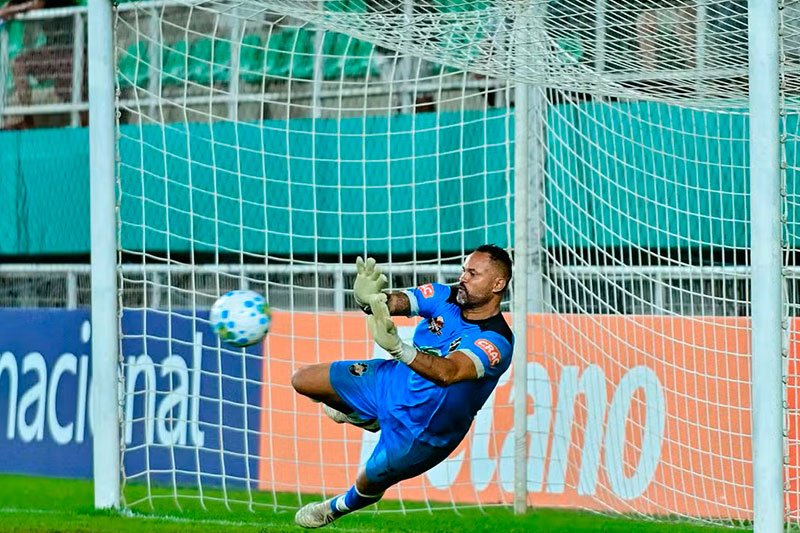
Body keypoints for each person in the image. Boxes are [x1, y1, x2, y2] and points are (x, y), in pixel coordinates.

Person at [291, 244, 515, 529]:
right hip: (391, 382)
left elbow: (449, 372)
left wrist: (398, 348)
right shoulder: (444, 295)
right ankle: (365, 416)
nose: (463, 278)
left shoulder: (497, 341)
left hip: (424, 431)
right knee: (303, 380)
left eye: (473, 273)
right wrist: (370, 298)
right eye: (463, 270)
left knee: (369, 480)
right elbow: (394, 302)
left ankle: (333, 509)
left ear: (498, 284)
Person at [0, 0, 78, 129]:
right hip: (52, 50)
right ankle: (28, 120)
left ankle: (84, 125)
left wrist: (13, 10)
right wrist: (11, 9)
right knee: (19, 64)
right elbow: (5, 10)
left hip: (74, 49)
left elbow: (37, 5)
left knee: (72, 89)